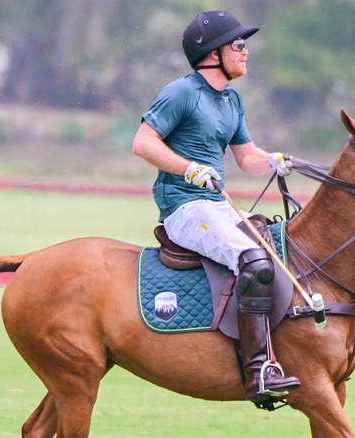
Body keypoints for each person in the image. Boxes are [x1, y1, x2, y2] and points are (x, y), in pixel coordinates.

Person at [132, 10, 300, 403]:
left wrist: (274, 160)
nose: (245, 52)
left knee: (277, 253)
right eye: (238, 45)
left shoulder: (231, 99)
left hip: (217, 207)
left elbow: (246, 157)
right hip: (185, 209)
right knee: (253, 261)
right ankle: (258, 370)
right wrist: (189, 169)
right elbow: (143, 143)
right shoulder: (181, 92)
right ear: (212, 53)